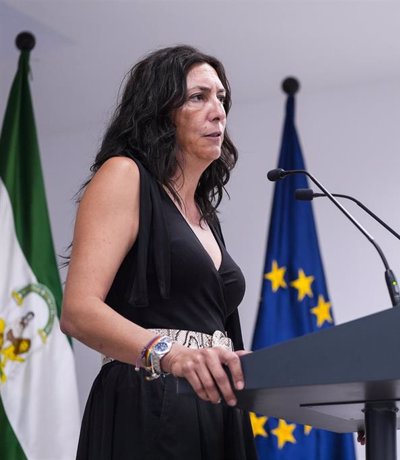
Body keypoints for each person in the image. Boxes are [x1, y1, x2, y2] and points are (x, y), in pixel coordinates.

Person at [61, 45, 257, 460]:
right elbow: (78, 311)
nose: (218, 111)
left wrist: (340, 406)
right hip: (149, 404)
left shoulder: (206, 217)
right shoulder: (124, 175)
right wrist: (169, 355)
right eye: (198, 97)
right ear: (159, 111)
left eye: (221, 98)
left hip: (217, 412)